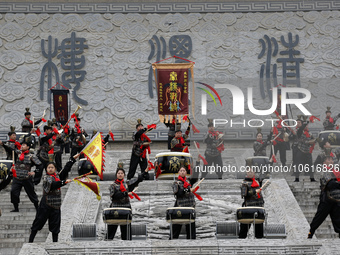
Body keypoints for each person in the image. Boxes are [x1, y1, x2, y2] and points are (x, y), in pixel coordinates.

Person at [28, 155, 79, 243]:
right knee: (38, 222)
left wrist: (73, 159)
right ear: (46, 169)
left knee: (55, 225)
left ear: (55, 169)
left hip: (56, 204)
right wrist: (63, 182)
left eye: (52, 167)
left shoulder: (57, 177)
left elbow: (66, 169)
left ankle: (55, 243)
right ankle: (30, 241)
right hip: (45, 204)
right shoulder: (46, 178)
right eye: (49, 167)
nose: (50, 169)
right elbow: (53, 185)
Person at [308, 155, 340, 239]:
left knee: (338, 219)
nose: (331, 161)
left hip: (337, 199)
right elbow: (330, 184)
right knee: (319, 218)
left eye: (332, 160)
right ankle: (310, 233)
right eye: (329, 159)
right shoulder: (323, 170)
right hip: (327, 199)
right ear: (324, 162)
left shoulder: (336, 171)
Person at [10, 141, 43, 212]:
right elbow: (11, 148)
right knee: (13, 192)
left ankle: (37, 207)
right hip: (17, 177)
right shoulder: (17, 154)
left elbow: (40, 165)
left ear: (28, 147)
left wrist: (34, 172)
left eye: (24, 145)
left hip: (26, 178)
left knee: (31, 193)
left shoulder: (31, 156)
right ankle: (16, 208)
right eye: (21, 145)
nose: (22, 146)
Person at [170, 165, 199, 239]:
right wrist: (189, 190)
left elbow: (195, 177)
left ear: (186, 172)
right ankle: (173, 240)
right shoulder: (176, 183)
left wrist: (197, 164)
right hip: (180, 206)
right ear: (178, 172)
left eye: (184, 171)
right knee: (177, 224)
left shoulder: (188, 181)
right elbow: (178, 193)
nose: (182, 172)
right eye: (181, 171)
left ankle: (192, 240)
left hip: (190, 205)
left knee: (191, 223)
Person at [107, 163, 133, 240]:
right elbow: (114, 195)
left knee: (126, 227)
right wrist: (125, 193)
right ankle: (108, 241)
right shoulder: (113, 185)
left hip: (126, 207)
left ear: (124, 175)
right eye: (119, 173)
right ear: (116, 175)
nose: (120, 174)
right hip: (115, 207)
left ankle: (127, 242)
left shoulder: (127, 184)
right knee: (112, 226)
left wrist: (145, 171)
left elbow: (138, 180)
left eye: (122, 173)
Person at [239, 169, 264, 238]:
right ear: (246, 173)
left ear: (254, 173)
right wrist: (254, 192)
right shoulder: (244, 183)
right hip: (248, 207)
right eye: (248, 172)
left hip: (258, 207)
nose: (250, 173)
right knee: (244, 228)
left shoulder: (256, 181)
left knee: (259, 228)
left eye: (251, 171)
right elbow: (244, 194)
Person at [294, 117, 316, 182]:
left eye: (307, 125)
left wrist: (314, 141)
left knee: (310, 165)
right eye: (305, 125)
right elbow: (300, 139)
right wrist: (307, 122)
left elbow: (313, 140)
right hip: (300, 150)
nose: (306, 126)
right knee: (298, 165)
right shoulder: (299, 132)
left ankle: (312, 178)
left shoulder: (310, 133)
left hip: (307, 151)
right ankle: (297, 178)